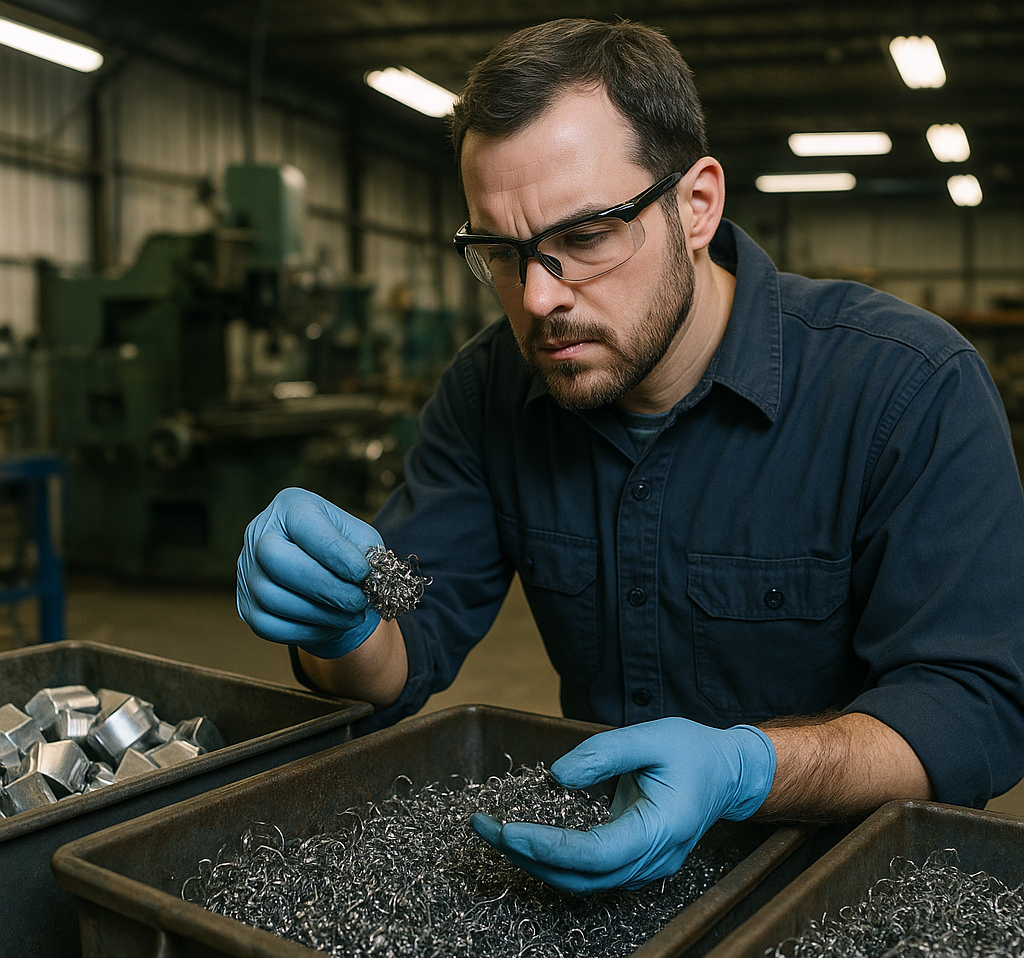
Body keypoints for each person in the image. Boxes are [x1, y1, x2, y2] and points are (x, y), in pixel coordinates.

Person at [237, 18, 1024, 893]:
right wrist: (334, 626)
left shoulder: (906, 388)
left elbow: (973, 708)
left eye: (585, 237)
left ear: (696, 206)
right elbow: (401, 649)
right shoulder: (488, 392)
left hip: (852, 889)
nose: (539, 297)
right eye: (501, 253)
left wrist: (744, 771)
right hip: (602, 886)